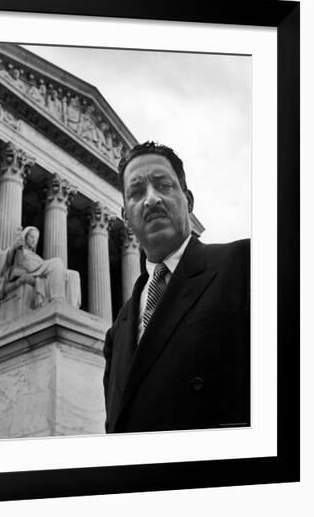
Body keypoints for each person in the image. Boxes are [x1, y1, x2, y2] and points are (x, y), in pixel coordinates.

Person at [103, 141, 250, 433]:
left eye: (163, 185)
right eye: (136, 192)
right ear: (126, 219)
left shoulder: (245, 265)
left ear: (189, 200)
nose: (151, 199)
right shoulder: (117, 331)